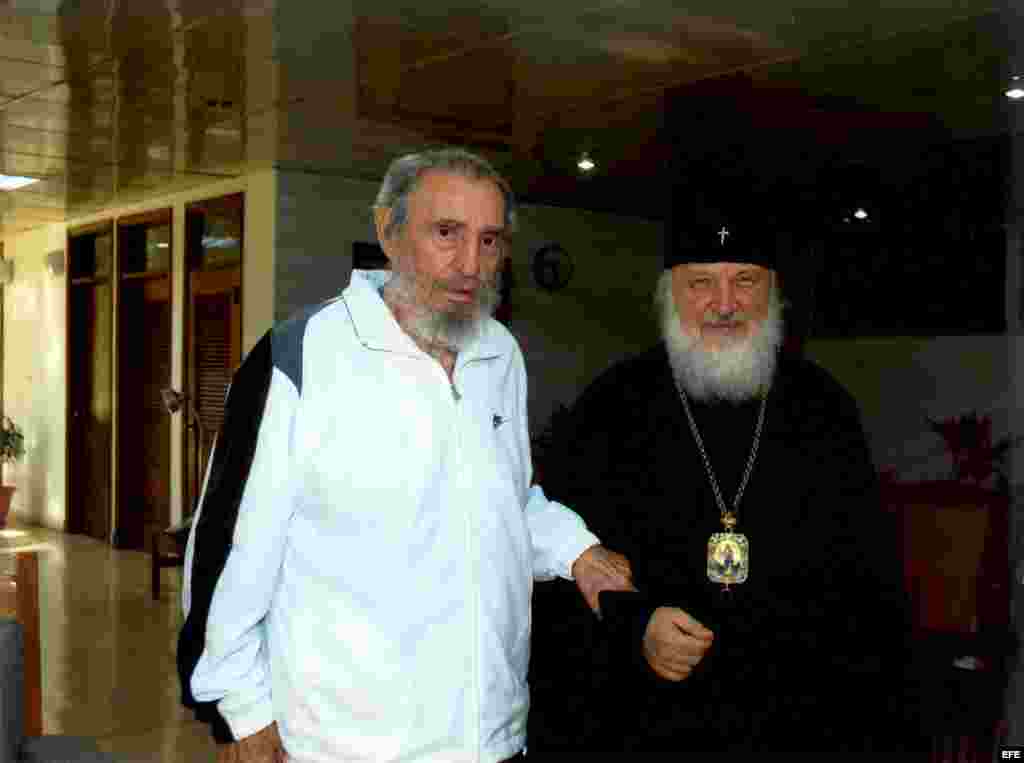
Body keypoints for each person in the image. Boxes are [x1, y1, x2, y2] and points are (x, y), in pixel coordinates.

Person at [177, 148, 633, 763]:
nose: (471, 264)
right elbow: (229, 547)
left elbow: (505, 495)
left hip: (490, 738)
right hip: (345, 746)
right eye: (446, 233)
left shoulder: (500, 353)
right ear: (387, 231)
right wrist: (239, 708)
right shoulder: (299, 356)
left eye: (490, 240)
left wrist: (576, 549)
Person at [528, 206, 921, 755]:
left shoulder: (823, 408)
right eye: (701, 284)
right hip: (648, 725)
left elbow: (869, 587)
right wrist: (634, 625)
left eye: (744, 281)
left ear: (773, 292)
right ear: (670, 294)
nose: (725, 304)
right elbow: (562, 567)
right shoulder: (612, 406)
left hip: (797, 721)